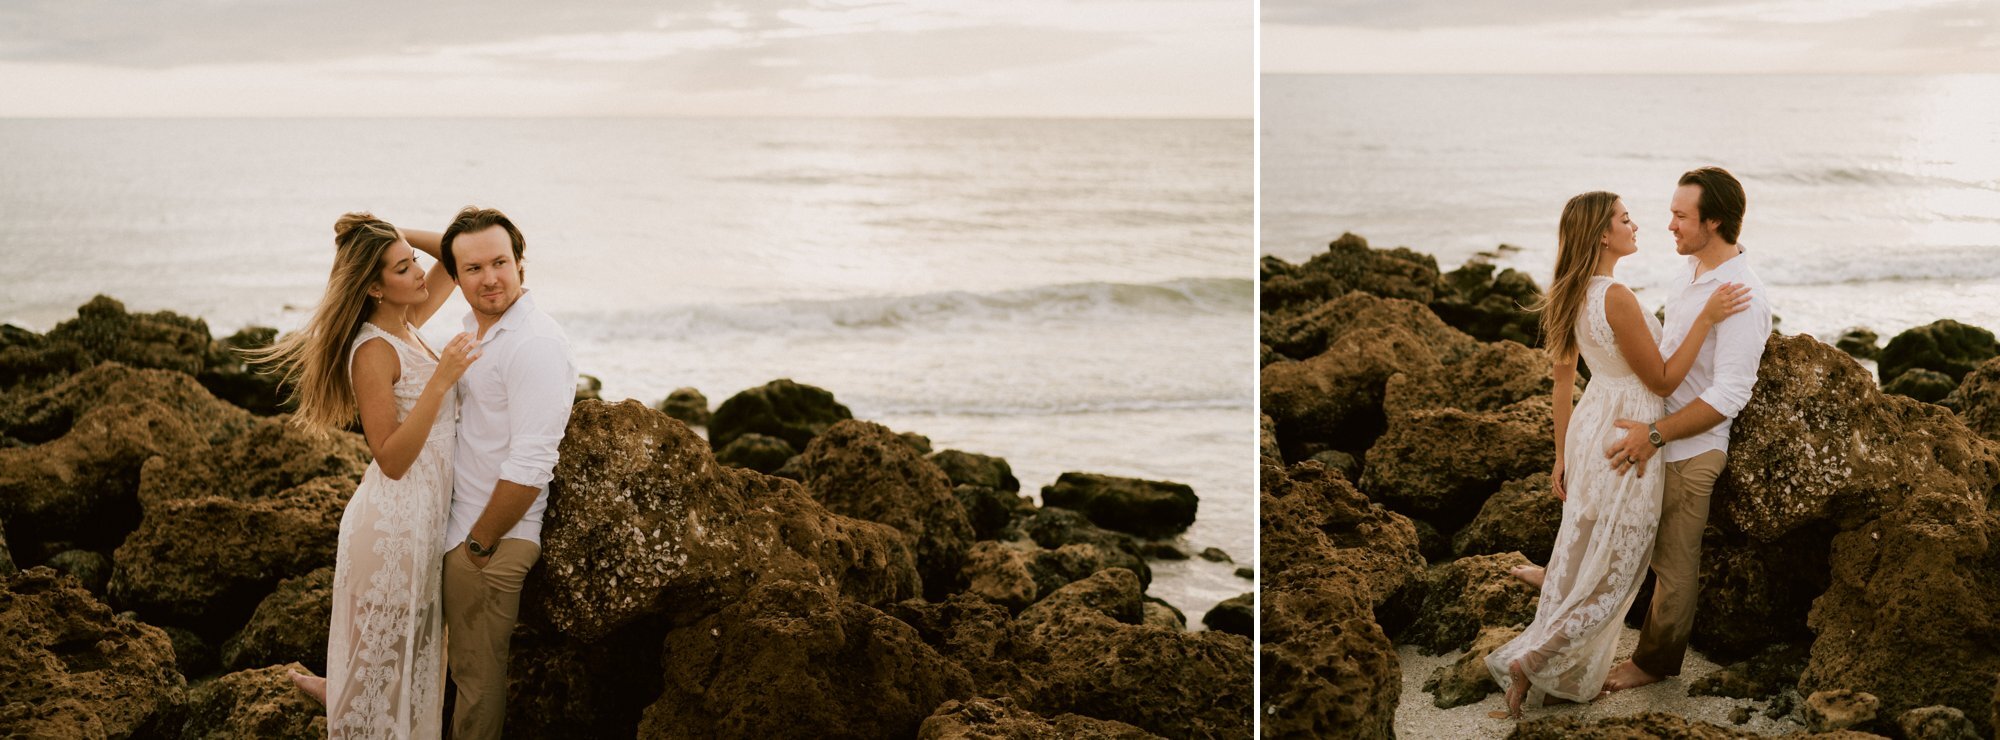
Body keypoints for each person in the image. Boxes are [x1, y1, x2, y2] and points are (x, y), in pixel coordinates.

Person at [1484, 190, 1750, 717]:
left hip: (1590, 429)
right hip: (1629, 435)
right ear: (1603, 234)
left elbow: (1562, 382)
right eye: (1626, 219)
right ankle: (1533, 660)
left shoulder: (1568, 290)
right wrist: (1708, 318)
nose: (1638, 225)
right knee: (1616, 574)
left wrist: (1561, 455)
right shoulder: (1617, 297)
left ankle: (1540, 653)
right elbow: (1664, 378)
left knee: (1585, 553)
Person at [255, 212, 478, 738]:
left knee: (404, 661)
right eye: (403, 267)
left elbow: (453, 255)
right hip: (392, 524)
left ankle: (339, 688)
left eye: (412, 260)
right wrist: (441, 381)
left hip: (424, 519)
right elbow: (392, 459)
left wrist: (392, 228)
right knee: (385, 665)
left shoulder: (406, 322)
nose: (421, 271)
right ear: (376, 287)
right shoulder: (373, 350)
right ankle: (343, 696)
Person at [1600, 167, 1772, 693]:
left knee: (1674, 565)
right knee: (1622, 537)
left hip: (1692, 448)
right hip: (1655, 435)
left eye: (1681, 215)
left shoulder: (1742, 295)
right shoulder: (1691, 273)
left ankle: (1653, 662)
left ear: (1714, 220)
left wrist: (1657, 434)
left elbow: (1730, 393)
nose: (1669, 224)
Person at [435, 206, 577, 740]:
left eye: (500, 262)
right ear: (455, 277)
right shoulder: (478, 327)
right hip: (462, 528)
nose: (489, 277)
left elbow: (532, 463)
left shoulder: (533, 343)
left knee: (476, 679)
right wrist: (394, 233)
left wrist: (478, 546)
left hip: (493, 539)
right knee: (450, 671)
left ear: (521, 264)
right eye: (472, 268)